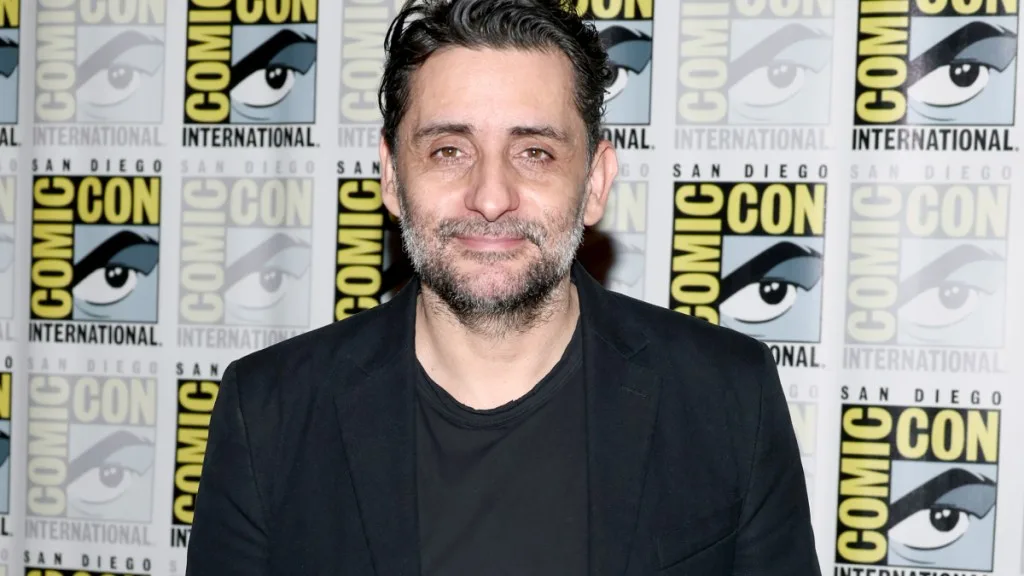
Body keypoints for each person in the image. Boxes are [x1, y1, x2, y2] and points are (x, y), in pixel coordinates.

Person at [185, 0, 822, 574]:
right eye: (448, 150)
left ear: (595, 182)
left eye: (534, 152)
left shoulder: (728, 395)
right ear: (391, 177)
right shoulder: (267, 411)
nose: (490, 198)